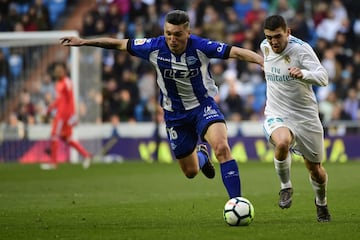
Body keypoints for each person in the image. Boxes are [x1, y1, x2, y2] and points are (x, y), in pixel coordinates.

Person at [60, 10, 263, 199]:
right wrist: (84, 42)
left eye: (177, 34)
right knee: (190, 172)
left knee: (221, 148)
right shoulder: (154, 47)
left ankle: (237, 202)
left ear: (188, 33)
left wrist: (262, 61)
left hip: (203, 107)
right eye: (168, 34)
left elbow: (236, 52)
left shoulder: (201, 46)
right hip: (174, 115)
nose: (172, 39)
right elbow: (118, 44)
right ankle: (202, 155)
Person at [260, 15, 331, 222]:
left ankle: (321, 203)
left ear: (288, 33)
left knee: (315, 170)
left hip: (305, 116)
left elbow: (323, 77)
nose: (273, 42)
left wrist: (304, 74)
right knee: (282, 142)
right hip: (277, 113)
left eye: (278, 36)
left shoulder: (301, 49)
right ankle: (285, 187)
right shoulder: (264, 46)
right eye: (269, 37)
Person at [41, 62, 92, 170]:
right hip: (61, 114)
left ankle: (53, 163)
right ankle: (86, 155)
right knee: (67, 139)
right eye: (56, 70)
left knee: (54, 135)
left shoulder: (67, 82)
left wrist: (72, 116)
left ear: (64, 71)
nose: (58, 72)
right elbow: (59, 101)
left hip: (64, 116)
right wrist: (49, 109)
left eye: (60, 70)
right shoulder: (58, 84)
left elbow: (70, 100)